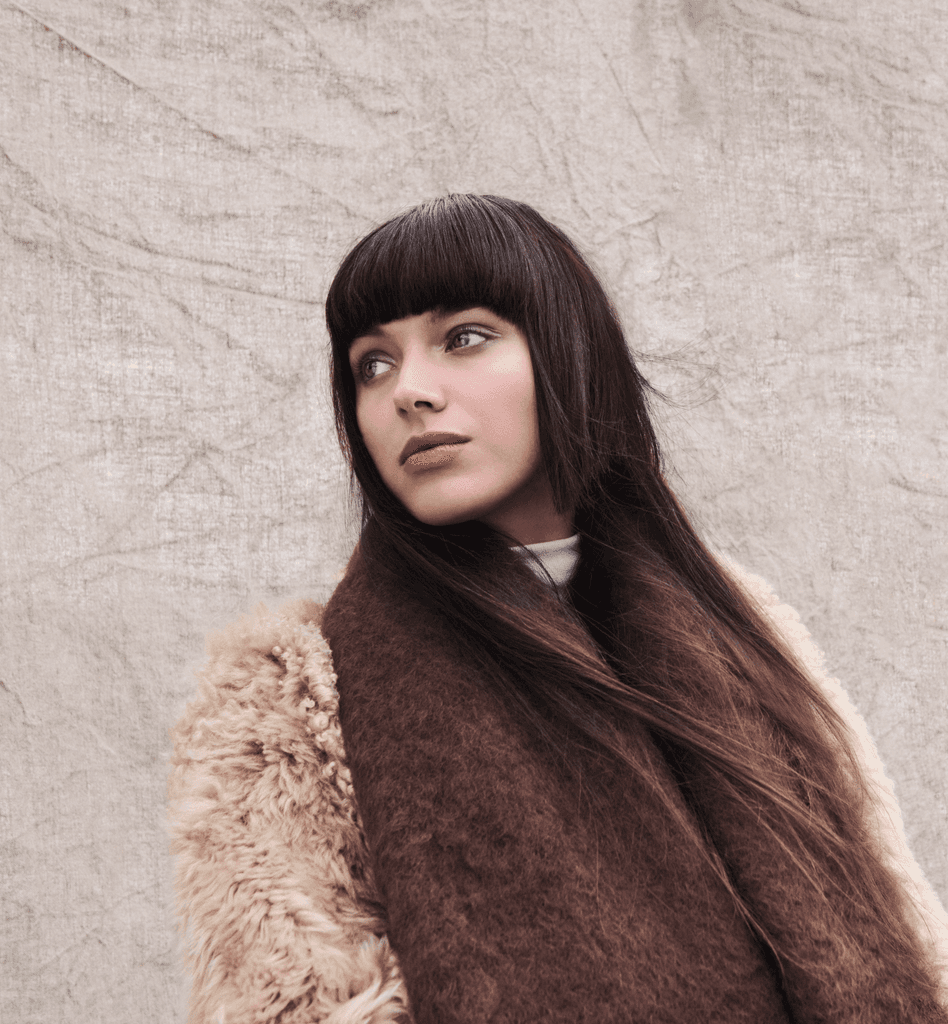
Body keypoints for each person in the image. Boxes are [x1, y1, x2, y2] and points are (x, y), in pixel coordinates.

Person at [168, 194, 948, 1024]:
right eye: (372, 363)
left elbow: (896, 922)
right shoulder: (290, 698)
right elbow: (291, 1003)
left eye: (462, 337)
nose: (410, 393)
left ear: (570, 352)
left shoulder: (738, 630)